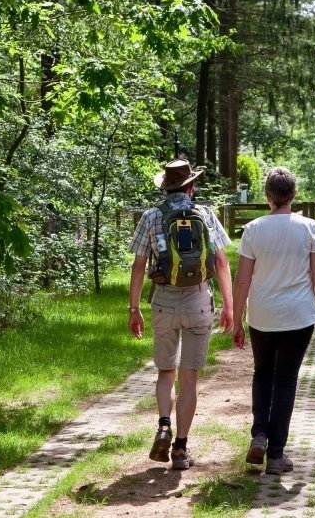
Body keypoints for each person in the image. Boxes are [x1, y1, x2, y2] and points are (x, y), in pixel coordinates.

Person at [127, 158, 233, 470]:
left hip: (164, 300)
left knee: (165, 372)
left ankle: (163, 424)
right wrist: (229, 306)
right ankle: (181, 449)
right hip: (199, 301)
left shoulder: (151, 216)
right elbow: (222, 262)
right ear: (191, 186)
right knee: (189, 380)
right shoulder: (206, 214)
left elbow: (138, 265)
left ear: (166, 187)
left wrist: (134, 309)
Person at [231, 167, 315, 475]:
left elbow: (242, 281)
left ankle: (259, 433)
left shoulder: (253, 229)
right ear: (293, 195)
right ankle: (275, 456)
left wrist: (237, 321)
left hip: (262, 316)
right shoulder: (309, 227)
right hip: (298, 316)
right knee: (285, 381)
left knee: (262, 374)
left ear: (268, 197)